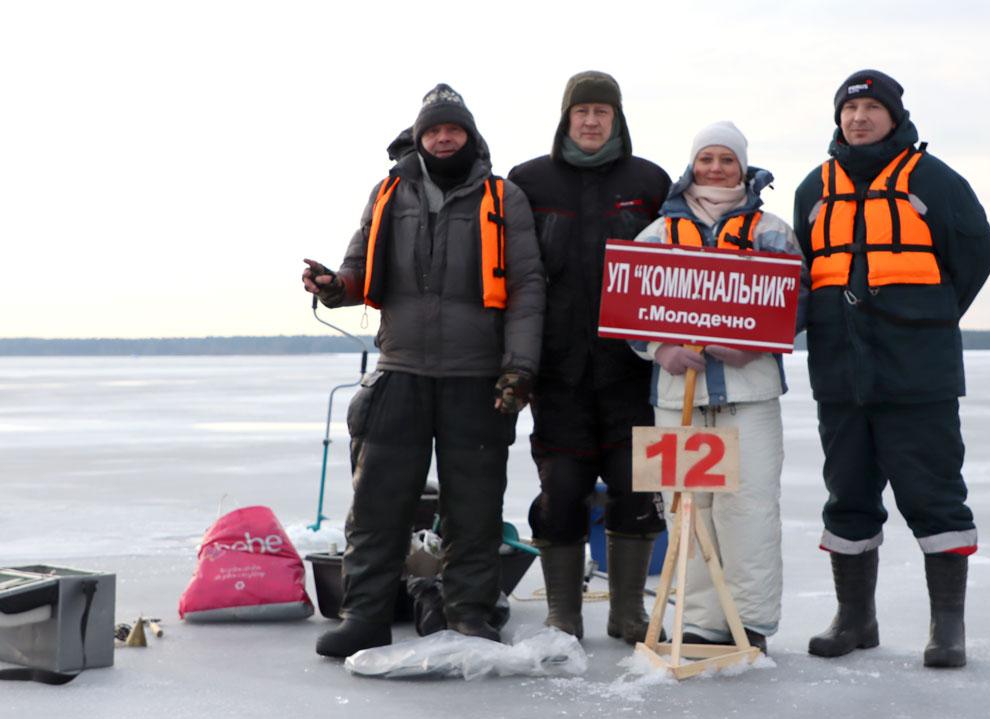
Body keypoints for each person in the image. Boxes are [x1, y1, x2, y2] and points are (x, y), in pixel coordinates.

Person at [301, 83, 544, 657]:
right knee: (378, 504)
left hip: (477, 375)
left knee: (475, 508)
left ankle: (468, 613)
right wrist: (335, 287)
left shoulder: (503, 198)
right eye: (433, 130)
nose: (442, 137)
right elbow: (358, 271)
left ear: (469, 136)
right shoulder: (388, 193)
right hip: (401, 369)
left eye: (452, 129)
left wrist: (519, 368)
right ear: (419, 137)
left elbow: (529, 288)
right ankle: (365, 615)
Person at [793, 70, 990, 668]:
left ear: (893, 115)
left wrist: (927, 317)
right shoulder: (813, 189)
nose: (859, 118)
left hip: (918, 376)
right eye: (850, 109)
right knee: (848, 497)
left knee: (935, 498)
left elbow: (975, 255)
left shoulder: (932, 179)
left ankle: (948, 628)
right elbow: (798, 274)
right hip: (839, 375)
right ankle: (855, 619)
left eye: (871, 108)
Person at [629, 121, 806, 654]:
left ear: (743, 167)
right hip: (675, 397)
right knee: (686, 505)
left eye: (726, 159)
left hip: (748, 398)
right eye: (706, 158)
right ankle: (701, 619)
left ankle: (748, 621)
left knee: (747, 507)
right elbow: (629, 310)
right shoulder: (658, 233)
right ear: (691, 165)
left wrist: (756, 342)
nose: (715, 168)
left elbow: (796, 302)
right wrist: (660, 350)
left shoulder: (770, 230)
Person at [508, 71, 670, 643]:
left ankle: (627, 612)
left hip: (633, 372)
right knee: (561, 492)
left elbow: (682, 262)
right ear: (566, 118)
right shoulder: (529, 182)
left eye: (603, 111)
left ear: (618, 117)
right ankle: (563, 615)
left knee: (637, 490)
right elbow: (511, 276)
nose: (592, 121)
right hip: (559, 372)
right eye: (583, 112)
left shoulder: (649, 181)